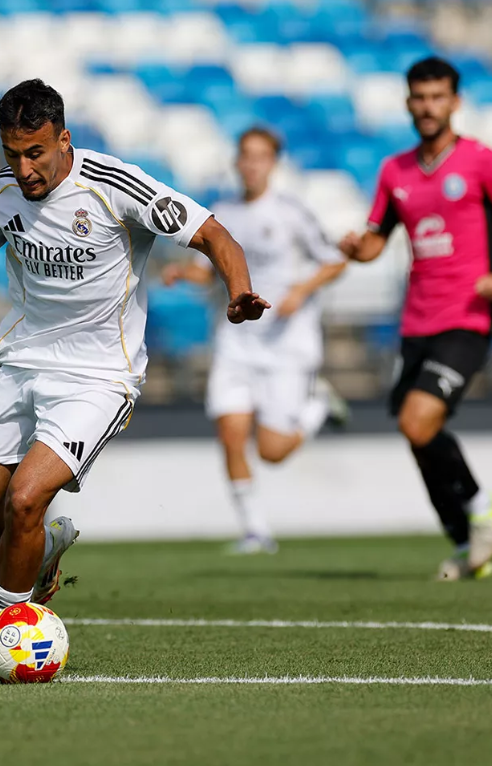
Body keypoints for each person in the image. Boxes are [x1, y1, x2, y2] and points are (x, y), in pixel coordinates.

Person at [0, 79, 268, 678]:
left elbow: (212, 234)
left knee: (26, 498)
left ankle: (3, 638)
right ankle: (42, 550)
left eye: (35, 153)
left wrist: (238, 291)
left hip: (100, 378)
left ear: (63, 138)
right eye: (12, 154)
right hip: (22, 364)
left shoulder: (116, 187)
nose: (23, 169)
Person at [339, 57, 492, 580]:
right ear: (409, 102)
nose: (428, 107)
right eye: (419, 97)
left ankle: (478, 506)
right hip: (416, 322)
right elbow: (375, 243)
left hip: (467, 318)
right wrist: (355, 247)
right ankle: (463, 542)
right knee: (418, 433)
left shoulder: (482, 162)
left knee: (418, 419)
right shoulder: (395, 171)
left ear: (454, 102)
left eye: (437, 97)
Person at [163, 127, 349, 554]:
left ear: (273, 163)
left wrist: (300, 291)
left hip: (286, 343)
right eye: (245, 155)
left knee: (272, 451)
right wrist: (184, 273)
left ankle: (318, 406)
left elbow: (334, 260)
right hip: (236, 343)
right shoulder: (221, 215)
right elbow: (214, 272)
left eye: (260, 156)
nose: (251, 164)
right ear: (236, 161)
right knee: (230, 434)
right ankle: (255, 531)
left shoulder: (290, 212)